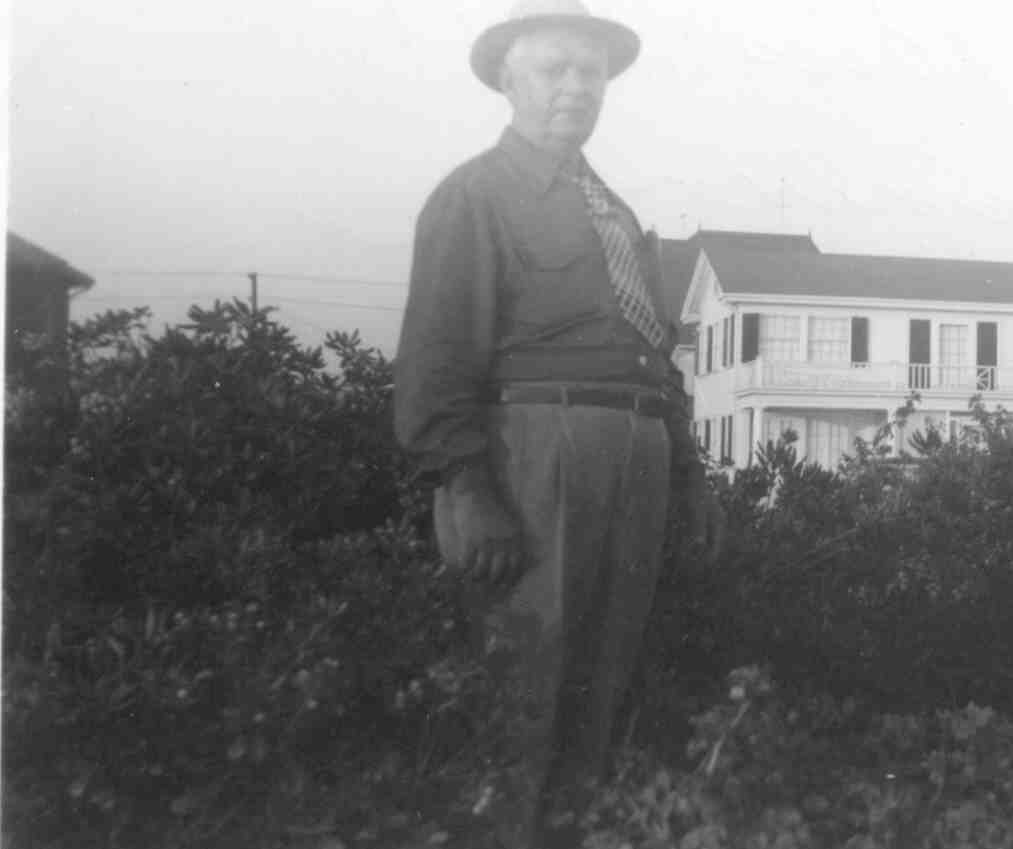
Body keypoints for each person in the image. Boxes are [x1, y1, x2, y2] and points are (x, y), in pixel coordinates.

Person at [393, 0, 717, 843]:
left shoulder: (613, 209)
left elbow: (655, 355)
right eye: (554, 68)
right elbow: (435, 357)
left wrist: (689, 476)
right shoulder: (474, 196)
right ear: (509, 80)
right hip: (536, 460)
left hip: (635, 463)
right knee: (523, 700)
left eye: (591, 70)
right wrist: (468, 488)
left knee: (604, 698)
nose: (576, 86)